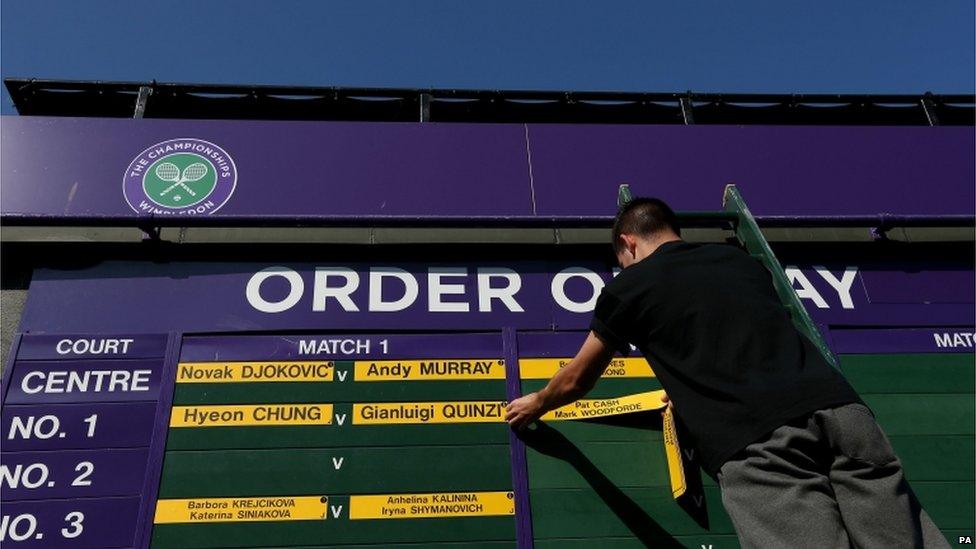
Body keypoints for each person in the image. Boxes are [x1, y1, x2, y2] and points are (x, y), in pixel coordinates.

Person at [505, 197, 948, 548]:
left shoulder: (629, 288)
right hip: (845, 416)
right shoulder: (741, 264)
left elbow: (579, 378)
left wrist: (537, 402)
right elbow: (733, 331)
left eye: (619, 258)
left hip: (760, 442)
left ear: (628, 242)